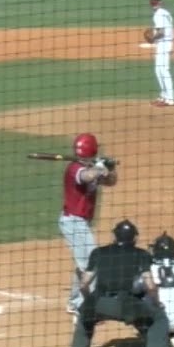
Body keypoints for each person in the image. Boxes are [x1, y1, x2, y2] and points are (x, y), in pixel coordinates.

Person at [70, 219, 174, 347]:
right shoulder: (142, 254)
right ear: (135, 237)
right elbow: (150, 286)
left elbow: (83, 284)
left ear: (114, 236)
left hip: (99, 303)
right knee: (158, 317)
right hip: (126, 306)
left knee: (85, 313)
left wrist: (88, 301)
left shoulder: (98, 252)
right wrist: (157, 303)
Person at [59, 132, 118, 317]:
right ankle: (82, 305)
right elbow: (86, 176)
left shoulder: (91, 166)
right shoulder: (74, 168)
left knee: (84, 263)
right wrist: (99, 168)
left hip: (81, 223)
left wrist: (109, 168)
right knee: (92, 262)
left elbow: (111, 182)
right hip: (73, 222)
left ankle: (75, 301)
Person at [145, 0, 174, 107]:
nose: (154, 4)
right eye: (152, 2)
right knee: (158, 70)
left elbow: (161, 32)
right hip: (164, 44)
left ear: (160, 2)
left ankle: (170, 99)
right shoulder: (165, 12)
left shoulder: (158, 14)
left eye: (155, 2)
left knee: (164, 71)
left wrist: (152, 39)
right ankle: (163, 96)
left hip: (165, 44)